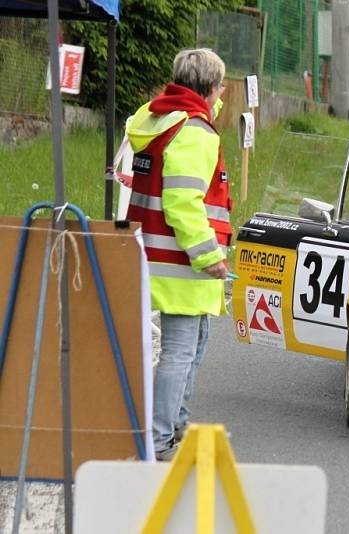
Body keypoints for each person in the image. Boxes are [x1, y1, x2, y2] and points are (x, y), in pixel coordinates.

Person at [125, 48, 232, 461]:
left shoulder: (156, 119)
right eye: (220, 85)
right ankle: (160, 436)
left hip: (153, 252)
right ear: (210, 87)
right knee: (180, 350)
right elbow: (183, 202)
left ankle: (176, 422)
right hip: (182, 262)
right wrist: (208, 256)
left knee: (194, 341)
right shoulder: (195, 132)